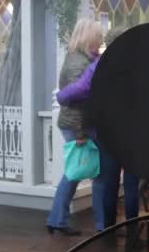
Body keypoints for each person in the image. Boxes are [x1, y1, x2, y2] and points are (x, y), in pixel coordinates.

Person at [56, 27, 140, 229]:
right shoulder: (138, 63)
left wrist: (61, 97)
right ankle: (132, 228)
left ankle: (108, 227)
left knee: (109, 181)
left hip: (109, 130)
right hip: (133, 131)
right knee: (131, 185)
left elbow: (80, 89)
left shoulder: (100, 65)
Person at [46, 19, 104, 235]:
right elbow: (79, 101)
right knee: (78, 174)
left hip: (76, 123)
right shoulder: (78, 63)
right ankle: (62, 220)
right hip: (77, 125)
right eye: (98, 36)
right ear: (89, 36)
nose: (100, 40)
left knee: (75, 173)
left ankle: (57, 219)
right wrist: (80, 134)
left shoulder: (78, 58)